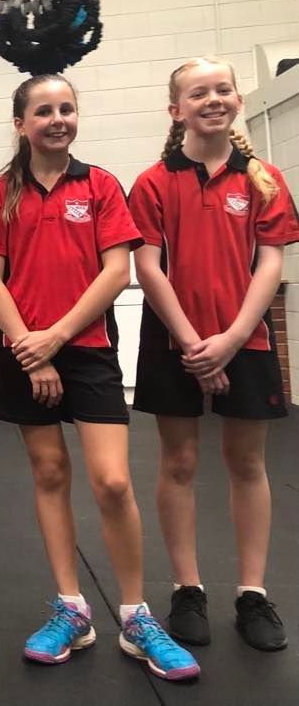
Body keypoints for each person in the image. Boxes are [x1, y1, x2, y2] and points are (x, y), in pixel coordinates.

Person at [0, 74, 200, 680]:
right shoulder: (1, 193)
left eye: (66, 109)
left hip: (88, 350)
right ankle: (71, 608)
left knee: (113, 482)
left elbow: (116, 272)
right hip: (26, 352)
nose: (57, 119)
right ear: (20, 123)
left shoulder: (99, 186)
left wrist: (58, 338)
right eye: (42, 110)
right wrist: (31, 350)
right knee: (49, 474)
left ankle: (135, 615)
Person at [130, 56, 299, 652]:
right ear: (176, 110)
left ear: (237, 100)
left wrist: (228, 341)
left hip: (244, 340)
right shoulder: (153, 181)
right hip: (173, 341)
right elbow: (147, 265)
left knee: (248, 465)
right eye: (197, 93)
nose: (212, 99)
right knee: (177, 464)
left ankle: (252, 593)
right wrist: (190, 342)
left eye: (222, 89)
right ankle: (186, 588)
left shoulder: (264, 180)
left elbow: (272, 263)